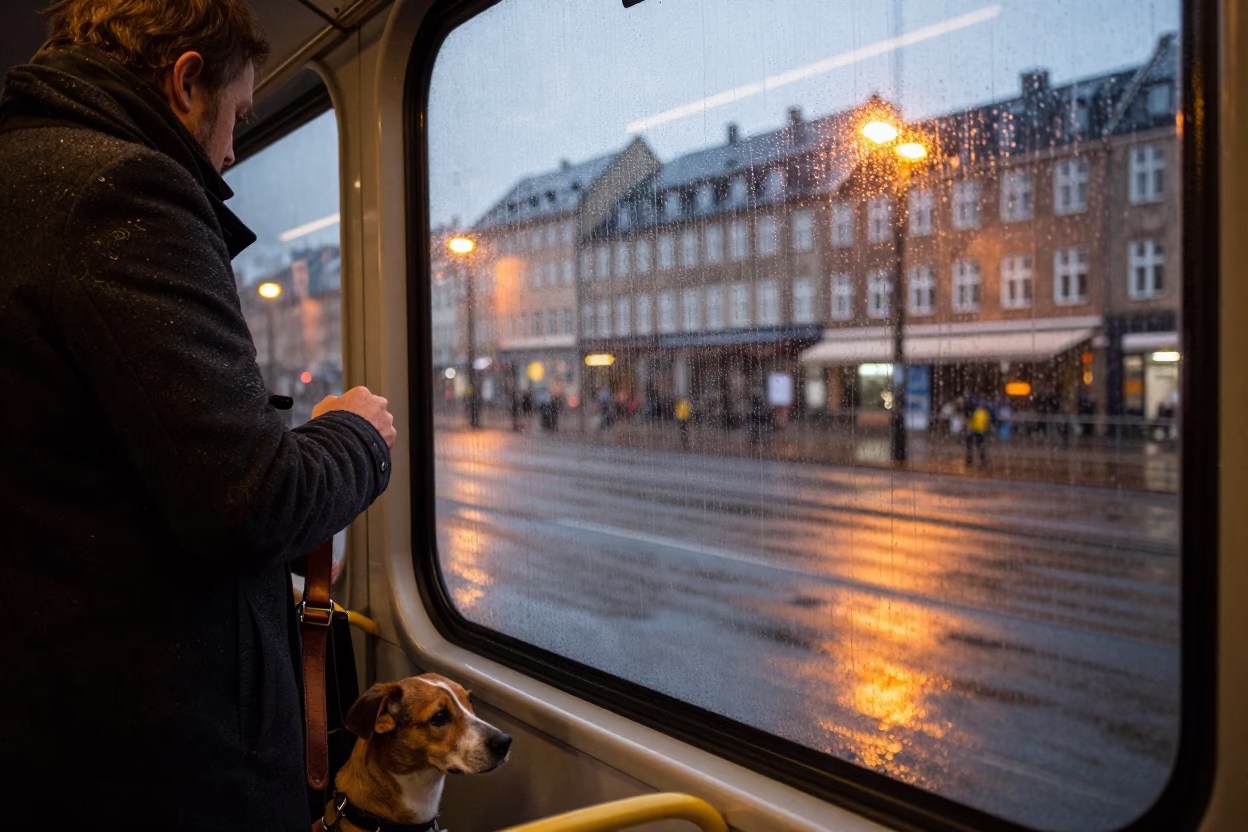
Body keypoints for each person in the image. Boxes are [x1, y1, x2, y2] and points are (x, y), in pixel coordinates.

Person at [0, 3, 396, 829]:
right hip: (153, 754)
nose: (231, 151)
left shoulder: (23, 171)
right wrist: (354, 433)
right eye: (239, 116)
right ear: (185, 82)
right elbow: (250, 501)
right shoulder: (121, 190)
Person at [966, 396, 992, 466]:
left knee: (971, 446)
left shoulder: (976, 412)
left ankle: (970, 460)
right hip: (980, 432)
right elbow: (987, 423)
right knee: (980, 447)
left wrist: (969, 430)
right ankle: (982, 461)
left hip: (974, 431)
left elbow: (972, 422)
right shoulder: (985, 413)